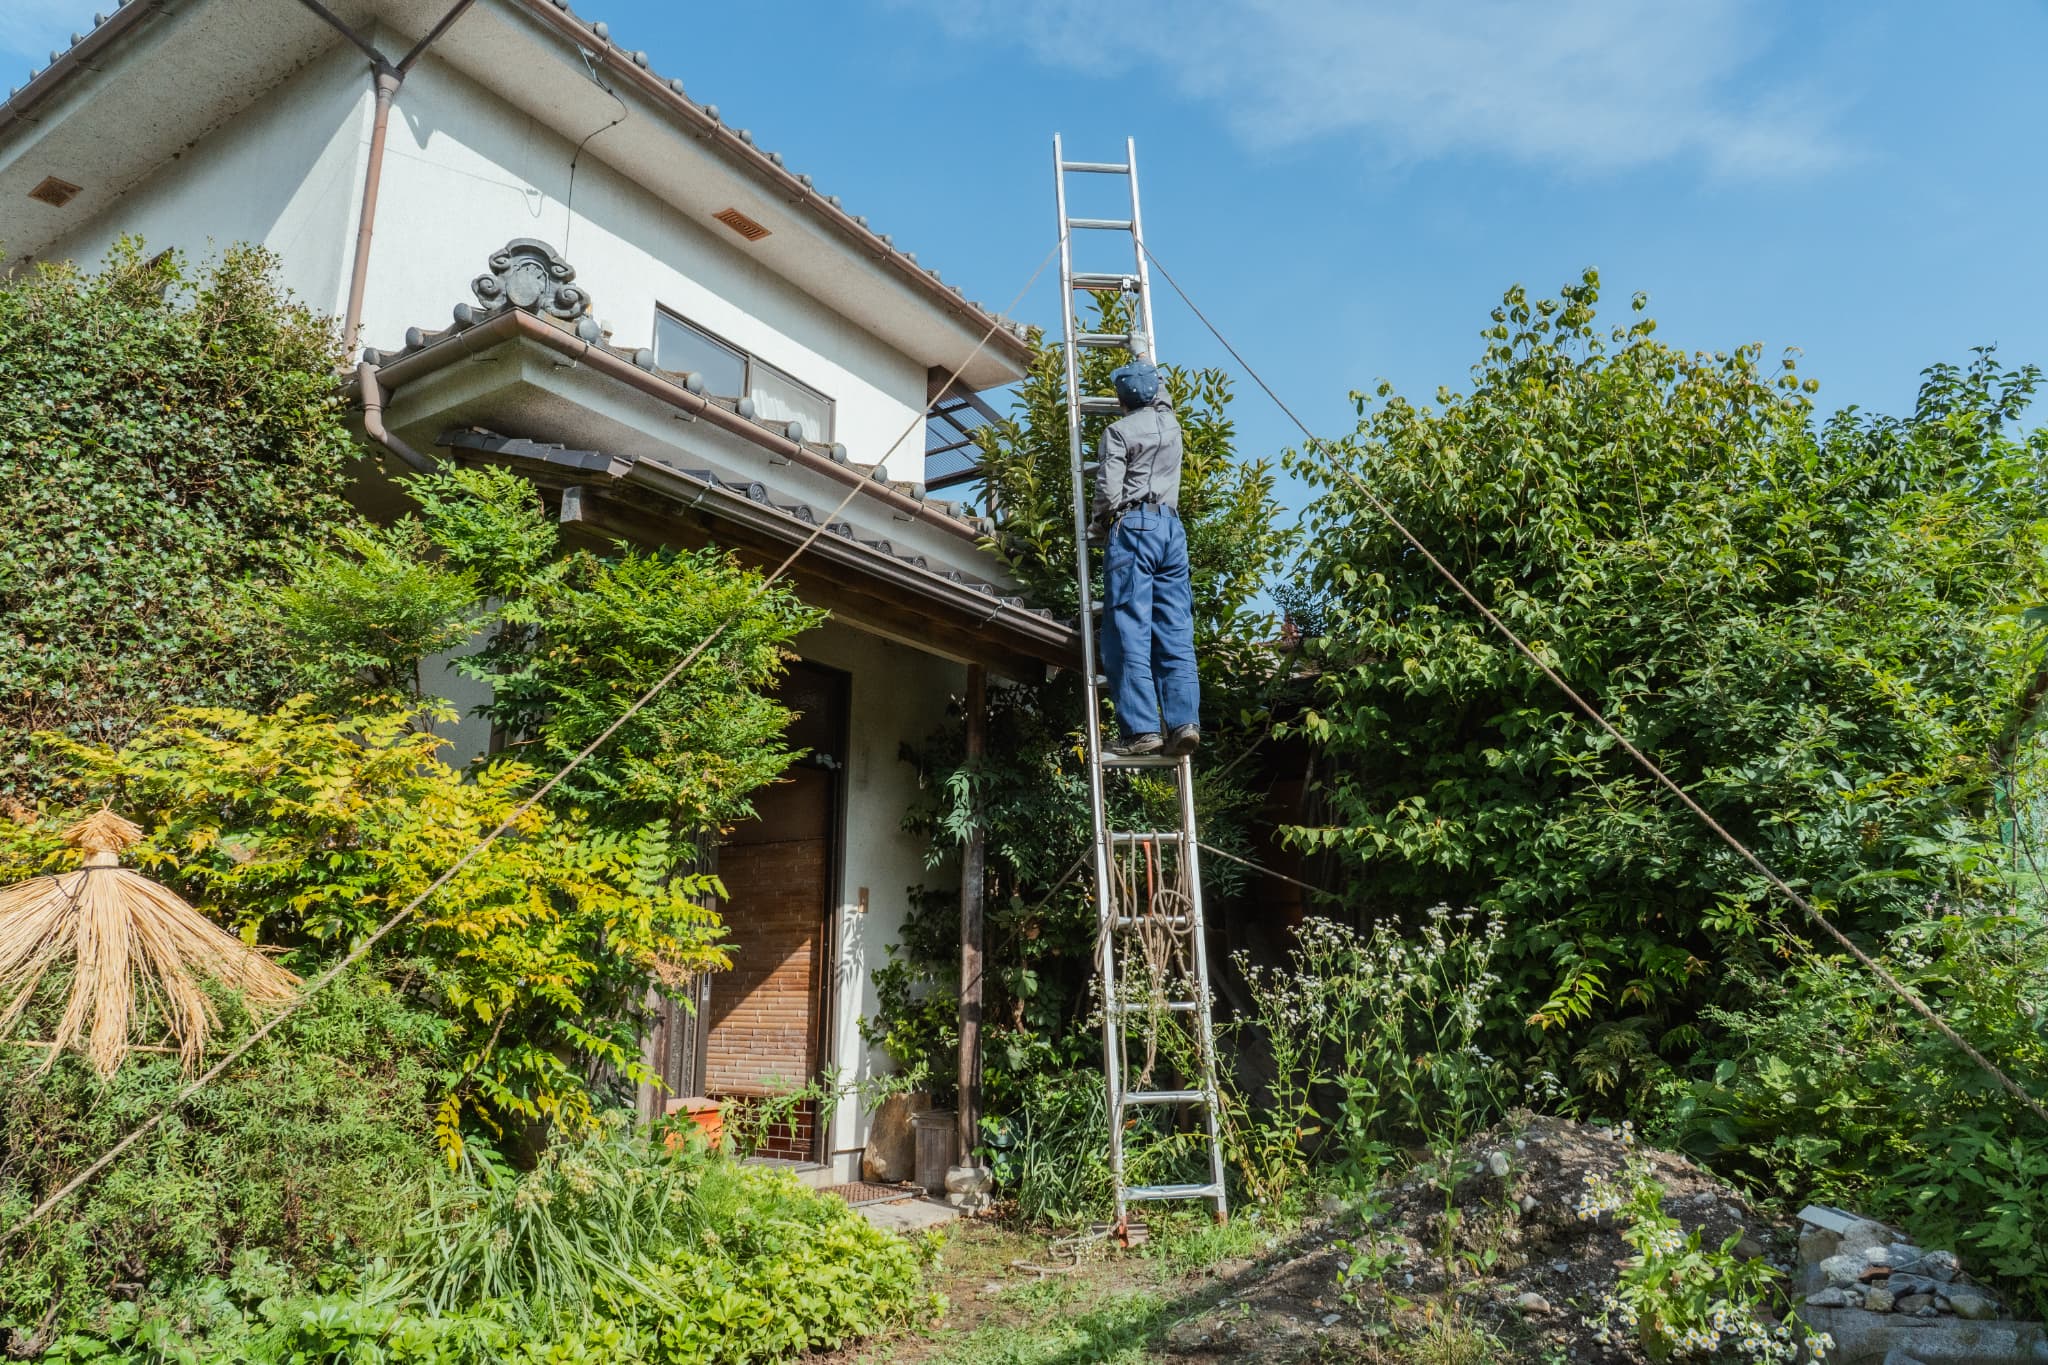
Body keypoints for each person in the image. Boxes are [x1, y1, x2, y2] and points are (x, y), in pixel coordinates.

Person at [1089, 360, 1199, 757]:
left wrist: (1100, 523)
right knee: (1175, 629)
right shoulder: (1171, 423)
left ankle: (1141, 731)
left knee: (1127, 630)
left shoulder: (1117, 432)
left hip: (1135, 528)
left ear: (1120, 401)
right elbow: (1162, 396)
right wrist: (1142, 353)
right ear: (1156, 393)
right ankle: (1184, 723)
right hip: (1172, 530)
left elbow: (1108, 490)